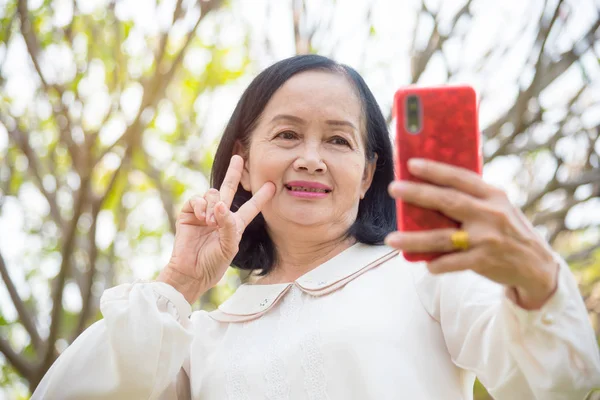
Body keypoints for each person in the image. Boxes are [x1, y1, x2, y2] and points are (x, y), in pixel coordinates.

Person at [33, 55, 599, 399]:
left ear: (368, 172)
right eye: (286, 135)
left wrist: (534, 279)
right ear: (244, 162)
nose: (312, 158)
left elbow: (558, 386)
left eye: (338, 139)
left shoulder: (427, 278)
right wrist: (179, 281)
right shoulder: (200, 335)